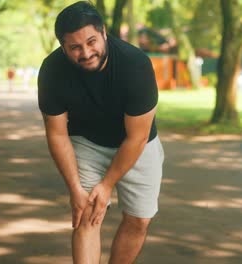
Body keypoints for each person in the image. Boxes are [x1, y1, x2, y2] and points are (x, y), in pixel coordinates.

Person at [37, 1, 164, 263]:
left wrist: (107, 185)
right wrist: (75, 189)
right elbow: (57, 134)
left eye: (91, 41)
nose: (86, 52)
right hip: (87, 141)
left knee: (139, 220)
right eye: (75, 47)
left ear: (104, 32)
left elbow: (137, 136)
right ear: (63, 47)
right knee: (86, 211)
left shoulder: (135, 64)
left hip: (137, 144)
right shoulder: (52, 70)